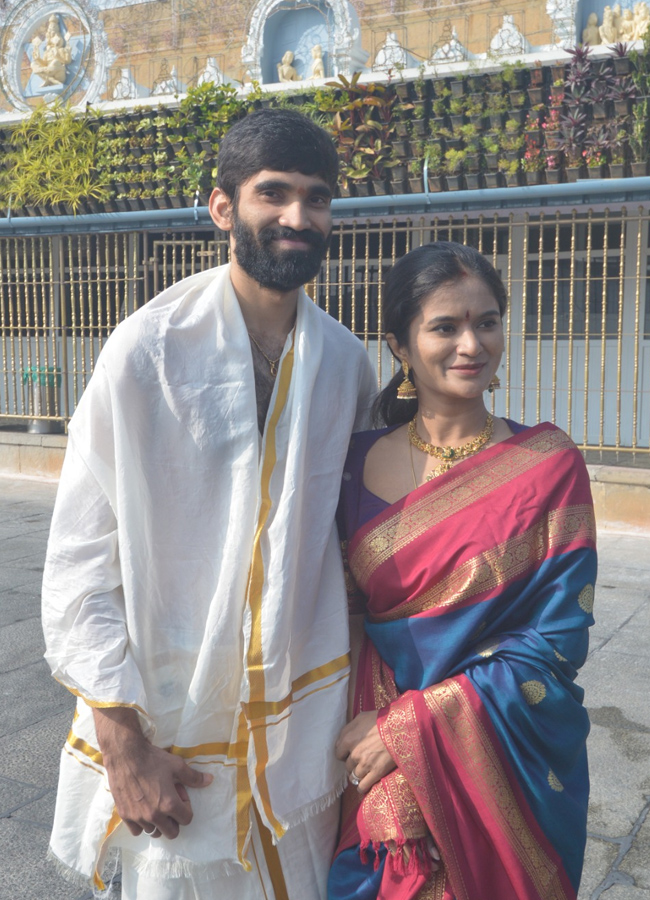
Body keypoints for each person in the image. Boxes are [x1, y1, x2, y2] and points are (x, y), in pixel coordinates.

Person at [42, 109, 376, 899]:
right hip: (172, 736)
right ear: (224, 207)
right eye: (275, 194)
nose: (297, 217)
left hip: (302, 735)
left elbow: (357, 549)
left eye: (317, 198)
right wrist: (124, 750)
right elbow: (80, 562)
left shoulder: (344, 363)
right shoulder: (147, 352)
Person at [328, 242, 597, 899]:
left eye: (487, 321)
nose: (470, 344)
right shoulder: (350, 464)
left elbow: (557, 643)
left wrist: (412, 727)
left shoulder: (548, 465)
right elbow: (337, 619)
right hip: (367, 746)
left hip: (506, 759)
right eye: (445, 327)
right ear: (399, 345)